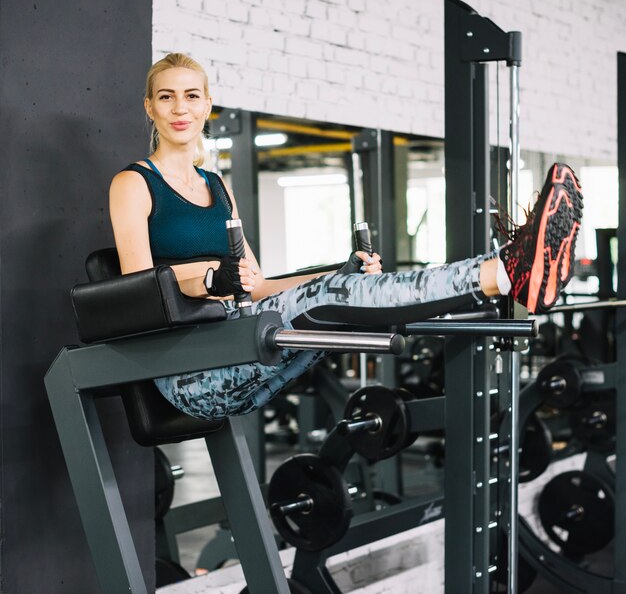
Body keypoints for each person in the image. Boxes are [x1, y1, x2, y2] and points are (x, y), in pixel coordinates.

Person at [109, 53, 583, 420]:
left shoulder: (216, 186)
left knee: (345, 295)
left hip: (240, 345)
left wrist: (338, 271)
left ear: (207, 105)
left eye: (192, 96)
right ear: (149, 106)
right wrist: (211, 277)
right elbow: (141, 289)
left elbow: (255, 285)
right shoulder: (133, 183)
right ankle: (504, 269)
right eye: (166, 96)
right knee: (334, 298)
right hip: (187, 372)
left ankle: (504, 271)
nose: (180, 108)